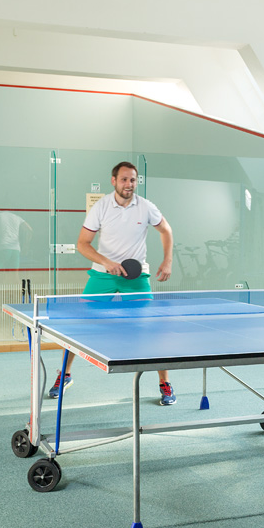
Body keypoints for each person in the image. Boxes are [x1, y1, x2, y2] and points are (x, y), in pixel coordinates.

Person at [49, 161, 177, 405]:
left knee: (151, 327)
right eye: (124, 179)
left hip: (135, 278)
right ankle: (65, 375)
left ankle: (165, 382)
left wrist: (167, 261)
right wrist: (106, 263)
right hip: (103, 275)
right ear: (114, 181)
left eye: (133, 180)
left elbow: (166, 230)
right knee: (77, 325)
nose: (129, 184)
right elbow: (82, 244)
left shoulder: (146, 207)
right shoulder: (101, 207)